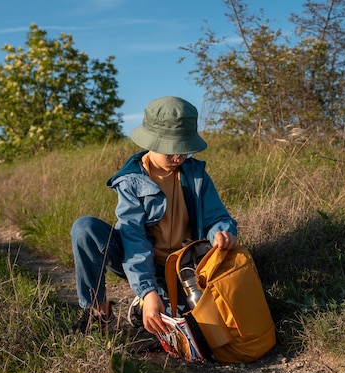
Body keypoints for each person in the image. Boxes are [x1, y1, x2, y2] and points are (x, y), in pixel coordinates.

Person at [70, 96, 238, 336]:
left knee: (199, 327)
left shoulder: (196, 175)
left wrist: (223, 232)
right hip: (138, 257)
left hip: (184, 267)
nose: (178, 158)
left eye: (184, 151)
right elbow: (132, 237)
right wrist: (148, 290)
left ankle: (146, 306)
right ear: (153, 142)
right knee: (84, 228)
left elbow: (216, 216)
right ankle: (99, 312)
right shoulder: (131, 181)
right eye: (171, 152)